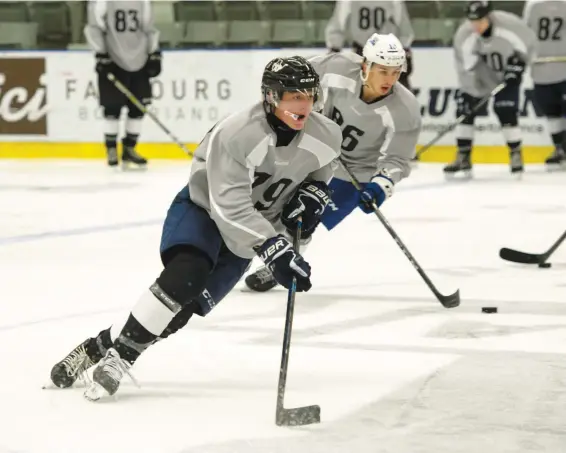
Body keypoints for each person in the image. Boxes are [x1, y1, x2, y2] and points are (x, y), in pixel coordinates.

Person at [48, 56, 343, 401]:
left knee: (184, 311)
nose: (304, 105)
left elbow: (320, 175)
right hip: (203, 210)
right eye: (294, 96)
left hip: (249, 235)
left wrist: (315, 196)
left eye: (309, 96)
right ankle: (120, 358)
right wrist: (274, 246)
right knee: (186, 277)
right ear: (272, 96)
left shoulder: (327, 134)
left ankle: (97, 346)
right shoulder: (237, 132)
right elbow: (228, 204)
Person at [245, 33, 421, 292]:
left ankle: (282, 264)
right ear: (365, 66)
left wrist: (380, 186)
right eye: (383, 71)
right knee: (269, 203)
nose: (389, 80)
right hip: (314, 150)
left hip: (355, 173)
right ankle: (236, 252)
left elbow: (398, 159)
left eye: (395, 72)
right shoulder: (337, 67)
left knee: (305, 216)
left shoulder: (405, 108)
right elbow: (296, 82)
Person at [444, 0, 536, 177]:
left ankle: (515, 154)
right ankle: (463, 156)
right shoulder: (464, 35)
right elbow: (465, 69)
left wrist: (520, 64)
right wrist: (469, 91)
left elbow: (530, 46)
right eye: (472, 20)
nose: (476, 25)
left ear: (489, 16)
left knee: (506, 110)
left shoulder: (510, 26)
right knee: (465, 110)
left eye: (480, 20)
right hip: (480, 78)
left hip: (507, 77)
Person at [84, 0, 161, 169]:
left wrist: (153, 53)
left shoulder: (143, 2)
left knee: (138, 108)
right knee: (112, 108)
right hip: (113, 59)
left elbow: (149, 29)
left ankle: (129, 149)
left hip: (140, 60)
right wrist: (101, 53)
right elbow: (94, 28)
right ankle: (111, 148)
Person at [325, 1, 414, 90]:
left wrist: (334, 47)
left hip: (372, 51)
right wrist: (404, 48)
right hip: (379, 52)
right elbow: (404, 27)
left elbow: (338, 26)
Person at [523, 0, 566, 167]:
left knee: (555, 112)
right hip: (542, 69)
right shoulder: (533, 4)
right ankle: (559, 149)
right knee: (551, 112)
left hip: (553, 67)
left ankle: (560, 148)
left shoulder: (532, 4)